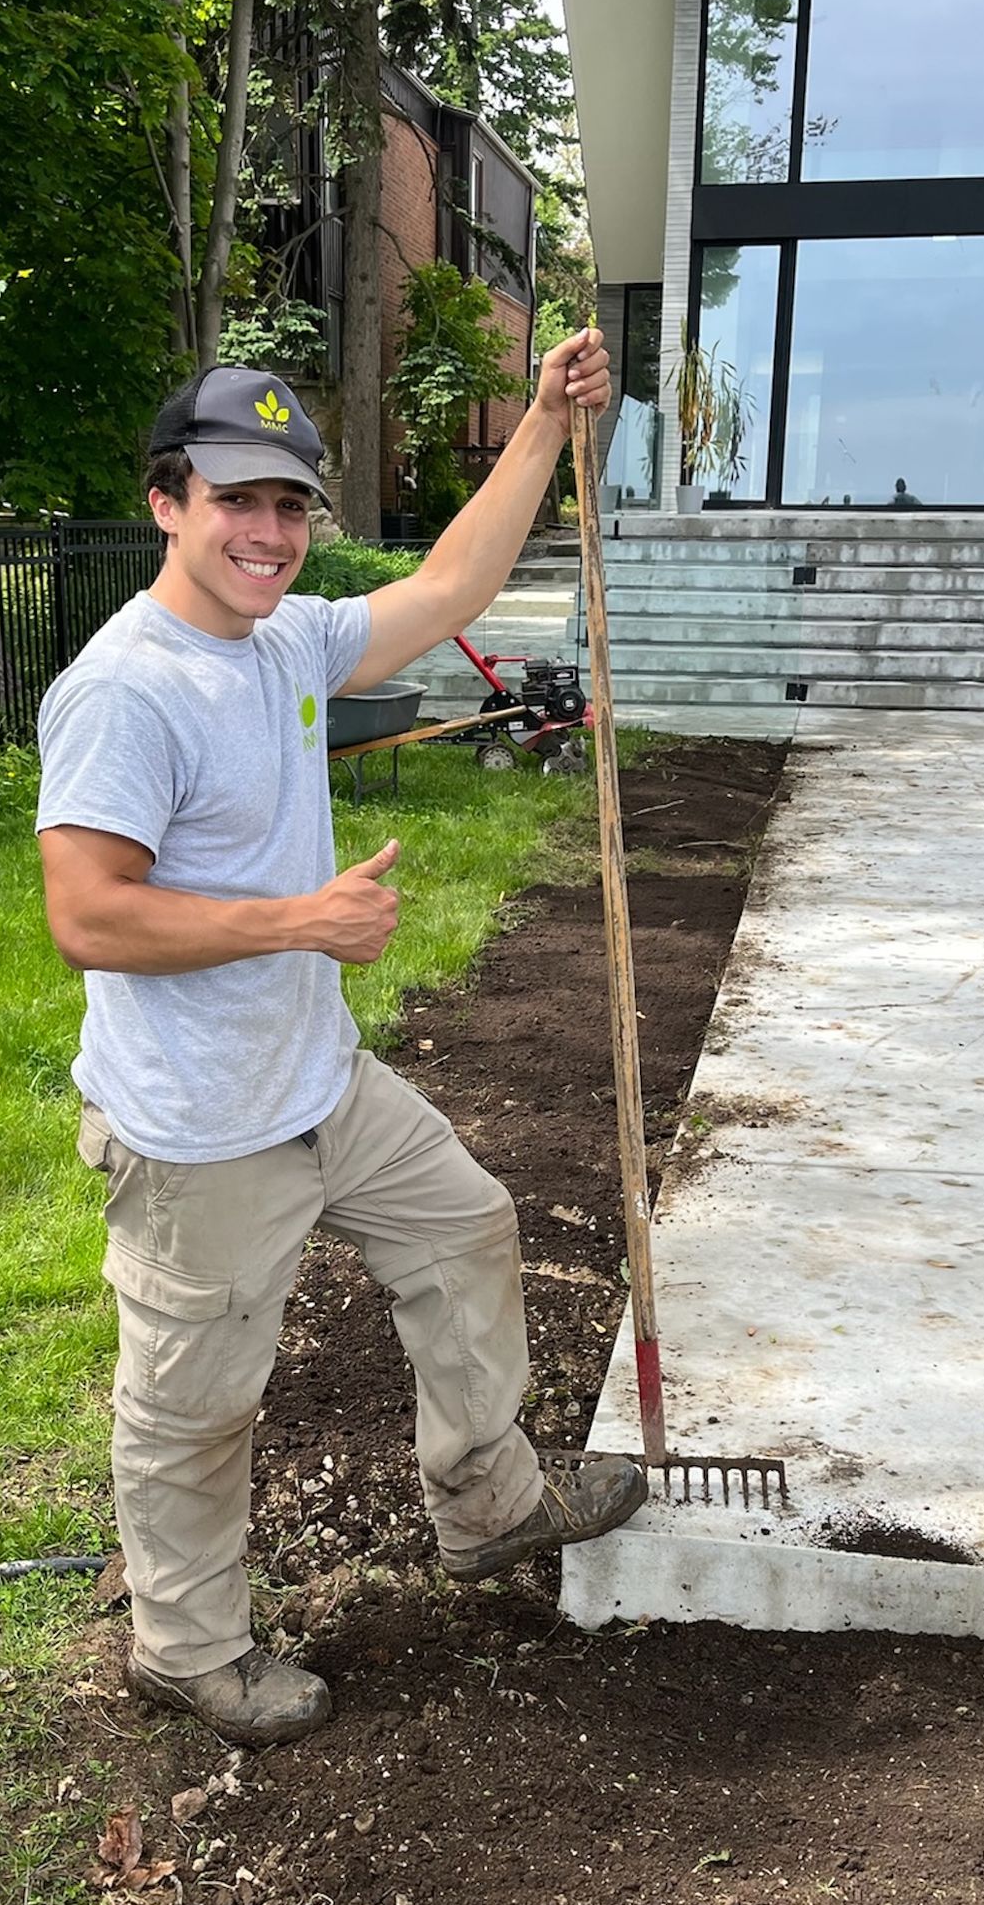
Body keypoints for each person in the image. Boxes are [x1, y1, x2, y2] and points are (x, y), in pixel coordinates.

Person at [35, 336, 645, 1747]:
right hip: (200, 1131)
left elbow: (450, 589)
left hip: (318, 1084)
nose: (268, 532)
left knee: (466, 1230)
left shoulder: (291, 638)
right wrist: (296, 924)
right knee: (200, 1408)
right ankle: (185, 1648)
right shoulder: (128, 690)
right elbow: (89, 916)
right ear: (169, 501)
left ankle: (487, 1498)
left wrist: (547, 425)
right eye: (237, 501)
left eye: (291, 506)